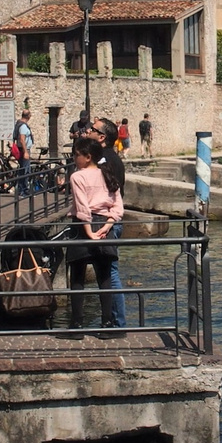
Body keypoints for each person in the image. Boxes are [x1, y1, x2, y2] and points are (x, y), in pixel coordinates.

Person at [66, 135, 123, 329]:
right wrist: (107, 225)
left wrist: (89, 232)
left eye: (76, 155)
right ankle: (107, 322)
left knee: (77, 276)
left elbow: (83, 208)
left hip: (83, 226)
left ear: (87, 156)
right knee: (104, 276)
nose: (75, 158)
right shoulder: (107, 173)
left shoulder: (77, 176)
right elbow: (117, 207)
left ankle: (77, 324)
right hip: (105, 225)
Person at [91, 120, 129, 327]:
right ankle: (113, 320)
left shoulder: (107, 160)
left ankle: (117, 322)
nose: (88, 130)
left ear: (102, 137)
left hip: (107, 221)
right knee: (105, 272)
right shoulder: (108, 158)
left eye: (93, 129)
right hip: (108, 220)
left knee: (109, 273)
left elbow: (110, 194)